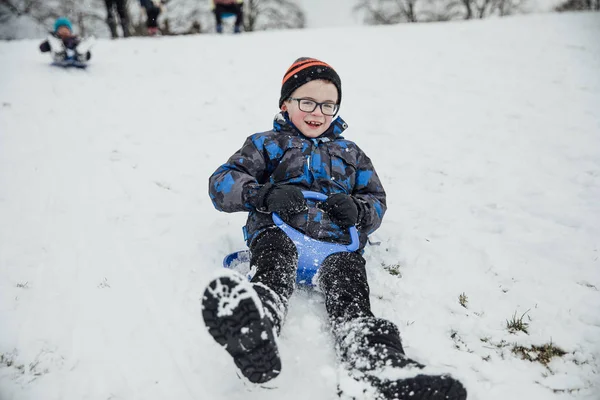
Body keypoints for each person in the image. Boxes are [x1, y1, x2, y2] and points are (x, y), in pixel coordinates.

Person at [203, 57, 468, 400]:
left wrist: (357, 210)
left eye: (328, 105)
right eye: (307, 102)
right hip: (279, 231)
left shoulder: (351, 153)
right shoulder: (266, 144)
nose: (318, 112)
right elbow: (222, 183)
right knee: (273, 265)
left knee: (351, 295)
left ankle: (376, 362)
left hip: (337, 246)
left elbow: (376, 199)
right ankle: (257, 329)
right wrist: (264, 193)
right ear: (286, 103)